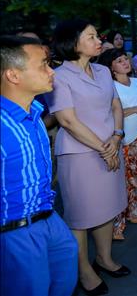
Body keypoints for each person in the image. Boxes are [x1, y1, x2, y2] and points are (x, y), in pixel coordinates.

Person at [46, 19, 130, 295]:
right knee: (80, 216)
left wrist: (116, 137)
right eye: (91, 36)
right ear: (73, 43)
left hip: (110, 148)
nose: (98, 41)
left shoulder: (103, 71)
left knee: (107, 208)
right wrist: (104, 148)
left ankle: (104, 258)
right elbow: (67, 120)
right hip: (80, 155)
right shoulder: (59, 75)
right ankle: (83, 271)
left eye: (97, 36)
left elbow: (116, 105)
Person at [1, 35, 78, 296]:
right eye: (43, 65)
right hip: (14, 232)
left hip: (49, 218)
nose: (50, 71)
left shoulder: (34, 113)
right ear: (13, 75)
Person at [97, 49, 137, 240]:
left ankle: (136, 212)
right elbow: (108, 112)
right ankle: (117, 225)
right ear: (110, 67)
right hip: (118, 138)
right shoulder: (109, 87)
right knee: (120, 181)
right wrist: (134, 110)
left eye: (125, 59)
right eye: (119, 61)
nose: (125, 62)